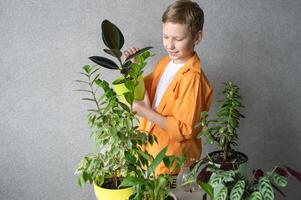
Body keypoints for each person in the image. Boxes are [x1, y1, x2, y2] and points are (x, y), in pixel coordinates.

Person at [124, 0, 213, 174]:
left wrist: (145, 112)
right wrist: (132, 67)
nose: (169, 45)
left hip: (171, 162)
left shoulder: (193, 79)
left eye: (178, 39)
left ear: (197, 37)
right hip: (149, 152)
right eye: (165, 37)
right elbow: (144, 92)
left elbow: (185, 129)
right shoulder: (165, 63)